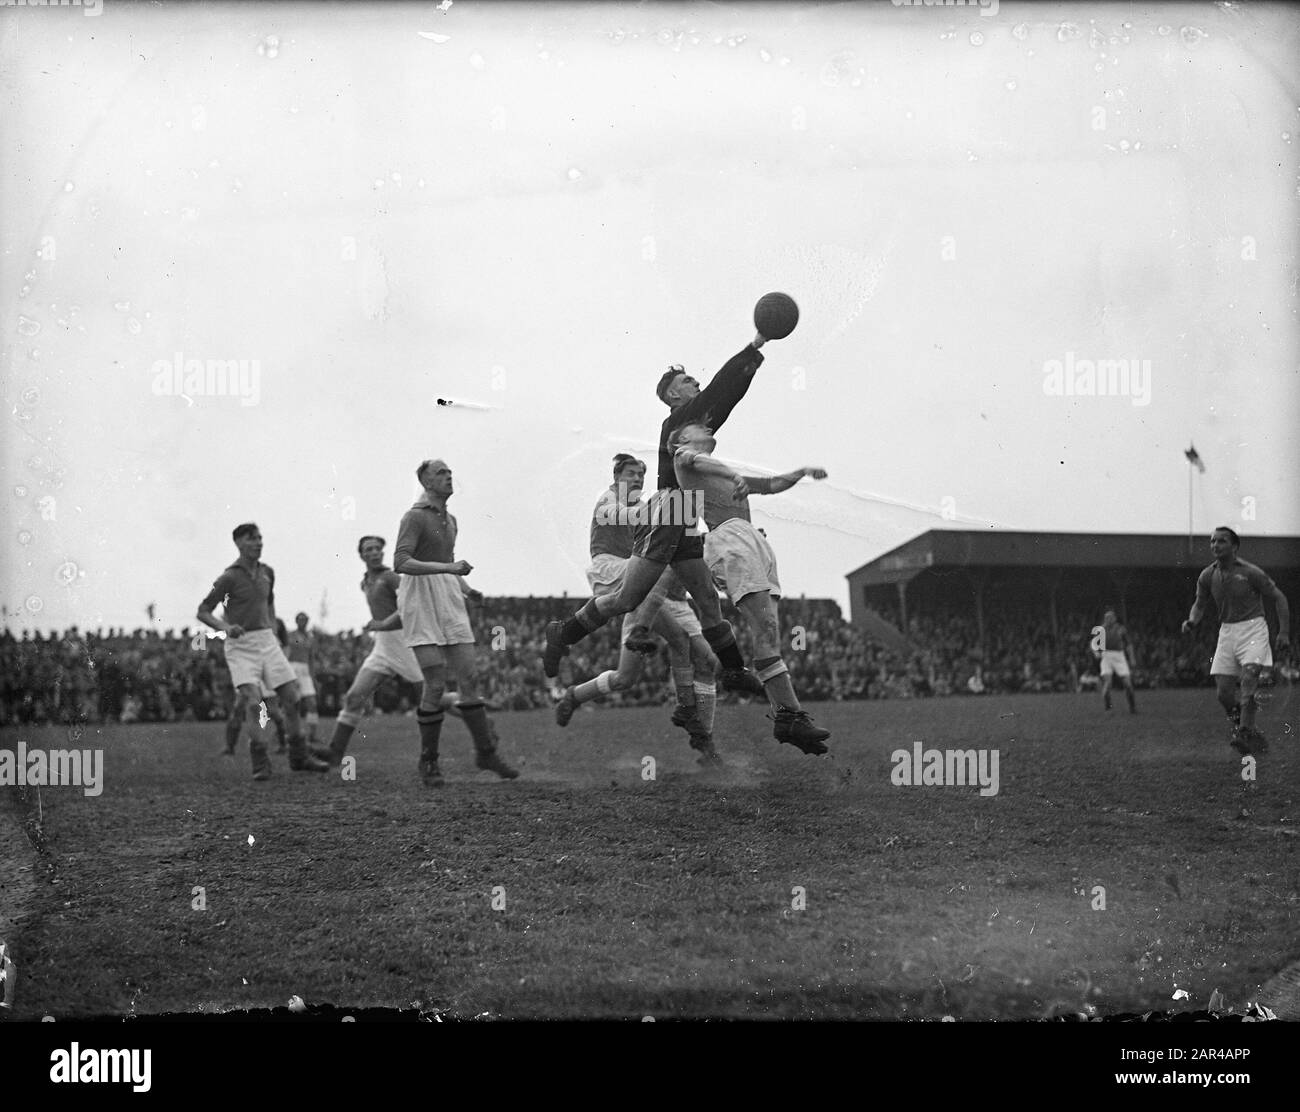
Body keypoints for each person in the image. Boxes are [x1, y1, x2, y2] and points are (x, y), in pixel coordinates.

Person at [543, 331, 778, 696]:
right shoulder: (679, 420)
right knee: (629, 600)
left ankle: (732, 671)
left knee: (706, 600)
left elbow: (724, 400)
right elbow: (721, 392)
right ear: (673, 396)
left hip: (681, 517)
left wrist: (750, 361)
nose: (696, 382)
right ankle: (564, 632)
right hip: (670, 514)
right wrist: (755, 346)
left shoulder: (689, 421)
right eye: (687, 380)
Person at [669, 421, 831, 754]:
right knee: (765, 626)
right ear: (684, 438)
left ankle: (788, 718)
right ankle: (790, 714)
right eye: (699, 426)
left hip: (752, 539)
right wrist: (733, 475)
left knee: (769, 632)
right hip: (729, 539)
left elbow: (771, 485)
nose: (707, 427)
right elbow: (699, 462)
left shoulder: (721, 473)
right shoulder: (685, 455)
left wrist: (800, 471)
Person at [552, 454, 721, 763]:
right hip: (634, 589)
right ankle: (574, 693)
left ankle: (704, 741)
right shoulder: (611, 501)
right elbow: (623, 518)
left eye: (642, 475)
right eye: (631, 474)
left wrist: (716, 538)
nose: (638, 480)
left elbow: (690, 545)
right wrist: (662, 510)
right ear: (616, 476)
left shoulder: (671, 506)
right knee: (630, 674)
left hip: (669, 595)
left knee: (703, 659)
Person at [394, 460, 519, 787]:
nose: (448, 477)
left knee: (469, 676)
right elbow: (401, 561)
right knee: (435, 683)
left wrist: (466, 588)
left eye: (450, 473)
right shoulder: (414, 516)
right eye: (440, 473)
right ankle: (429, 761)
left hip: (448, 593)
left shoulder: (451, 520)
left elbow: (448, 562)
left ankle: (486, 752)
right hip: (419, 597)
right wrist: (449, 571)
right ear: (424, 481)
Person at [324, 535, 495, 766]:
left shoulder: (391, 577)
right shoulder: (366, 581)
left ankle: (481, 722)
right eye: (369, 549)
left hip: (404, 642)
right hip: (383, 645)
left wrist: (384, 623)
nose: (374, 553)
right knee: (355, 696)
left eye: (377, 548)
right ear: (361, 555)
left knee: (435, 696)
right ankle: (335, 753)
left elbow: (408, 606)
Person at [197, 523, 329, 779]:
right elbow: (203, 611)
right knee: (253, 701)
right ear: (238, 543)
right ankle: (260, 763)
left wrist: (271, 629)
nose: (258, 543)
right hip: (241, 644)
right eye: (251, 539)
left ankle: (299, 756)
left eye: (260, 538)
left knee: (292, 696)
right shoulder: (229, 577)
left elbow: (269, 604)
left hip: (268, 642)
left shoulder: (267, 572)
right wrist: (225, 627)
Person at [1181, 526, 1291, 755]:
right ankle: (1246, 729)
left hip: (1253, 629)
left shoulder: (1251, 572)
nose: (1215, 545)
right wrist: (1192, 621)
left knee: (1250, 676)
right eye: (1212, 541)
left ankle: (1244, 732)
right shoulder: (1207, 575)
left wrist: (1283, 633)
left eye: (1221, 541)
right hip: (1228, 632)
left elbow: (1279, 598)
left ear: (1234, 546)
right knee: (1223, 694)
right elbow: (1199, 604)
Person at [286, 612, 321, 745]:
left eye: (305, 620)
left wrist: (313, 677)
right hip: (293, 669)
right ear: (296, 621)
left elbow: (311, 659)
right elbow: (286, 654)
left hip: (305, 670)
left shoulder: (310, 638)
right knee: (292, 704)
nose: (303, 622)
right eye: (300, 619)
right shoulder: (290, 636)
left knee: (312, 702)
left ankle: (312, 735)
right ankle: (287, 735)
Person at [1096, 607, 1138, 714]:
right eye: (1107, 618)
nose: (1109, 619)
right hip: (1107, 656)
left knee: (1128, 683)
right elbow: (1093, 644)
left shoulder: (1121, 629)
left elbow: (1129, 645)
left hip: (1119, 656)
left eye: (1111, 617)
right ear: (1105, 619)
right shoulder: (1101, 629)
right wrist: (1096, 652)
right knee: (1108, 683)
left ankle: (1132, 707)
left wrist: (1132, 658)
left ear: (1114, 618)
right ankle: (1108, 707)